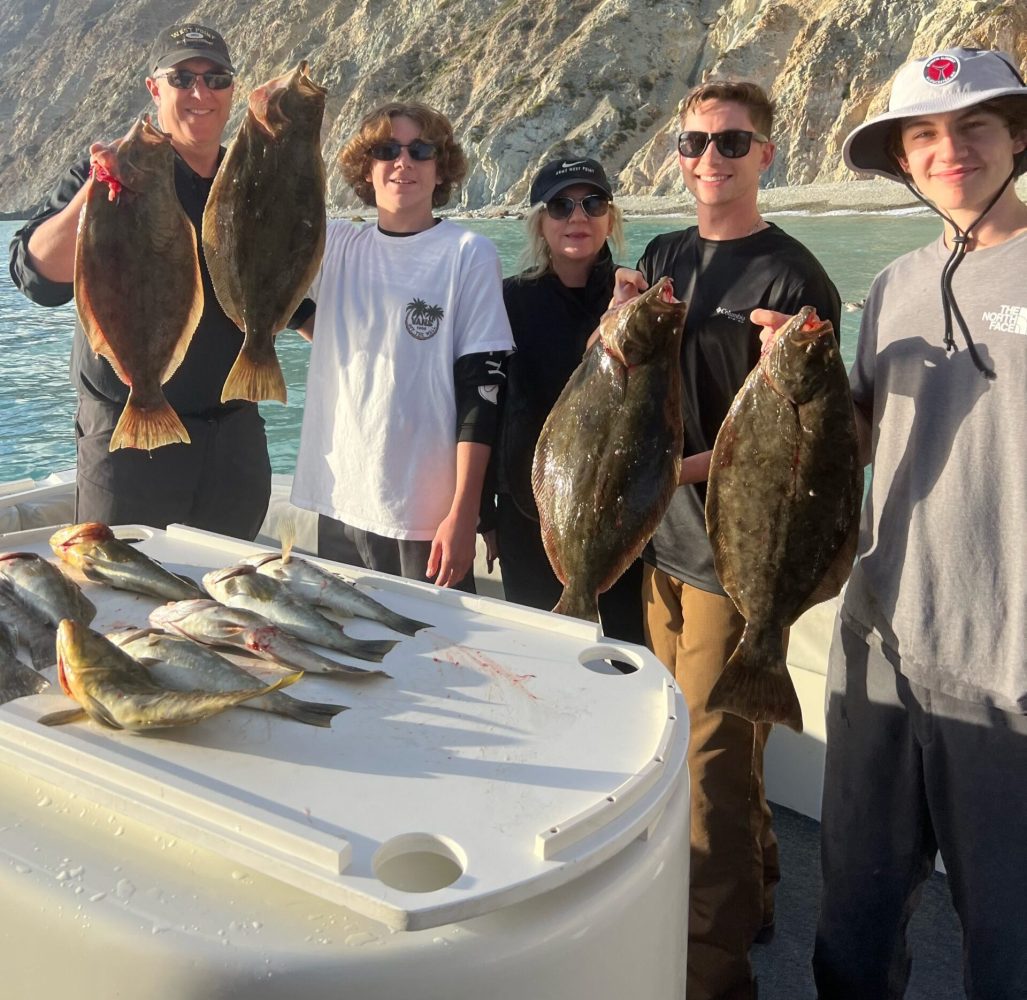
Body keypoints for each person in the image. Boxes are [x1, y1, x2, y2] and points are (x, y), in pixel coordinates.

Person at [804, 47, 1027, 1000]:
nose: (950, 151)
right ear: (901, 158)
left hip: (1008, 666)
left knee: (1005, 942)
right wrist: (797, 383)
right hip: (880, 644)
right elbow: (857, 440)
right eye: (925, 135)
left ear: (1017, 137)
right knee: (853, 919)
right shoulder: (892, 285)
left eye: (974, 126)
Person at [614, 80, 841, 1000]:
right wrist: (624, 305)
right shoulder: (665, 254)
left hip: (732, 560)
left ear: (766, 155)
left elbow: (805, 442)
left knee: (709, 767)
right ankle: (756, 899)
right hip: (659, 550)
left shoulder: (794, 278)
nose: (709, 157)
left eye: (732, 141)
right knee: (705, 748)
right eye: (693, 142)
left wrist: (678, 473)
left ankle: (708, 975)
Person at [8, 23, 272, 539]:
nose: (200, 93)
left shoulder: (250, 182)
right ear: (155, 89)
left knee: (226, 600)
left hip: (234, 441)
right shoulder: (103, 175)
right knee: (125, 605)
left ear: (232, 91)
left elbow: (280, 289)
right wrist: (98, 191)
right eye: (182, 78)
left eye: (215, 79)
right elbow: (37, 279)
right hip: (127, 441)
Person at [290, 102, 514, 590]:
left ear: (441, 168)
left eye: (421, 150)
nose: (403, 162)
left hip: (424, 516)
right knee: (351, 654)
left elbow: (483, 392)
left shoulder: (468, 253)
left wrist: (465, 512)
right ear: (365, 170)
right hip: (339, 497)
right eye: (386, 150)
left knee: (436, 656)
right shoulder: (337, 245)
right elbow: (274, 288)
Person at [483, 156, 644, 642]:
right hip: (527, 516)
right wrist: (487, 517)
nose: (577, 217)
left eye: (592, 203)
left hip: (621, 515)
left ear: (610, 219)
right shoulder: (507, 299)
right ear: (540, 222)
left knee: (621, 660)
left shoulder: (638, 302)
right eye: (560, 205)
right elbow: (491, 405)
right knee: (541, 660)